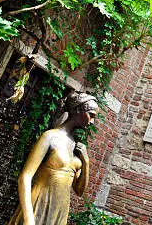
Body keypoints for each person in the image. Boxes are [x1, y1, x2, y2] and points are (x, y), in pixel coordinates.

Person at [8, 92, 98, 225]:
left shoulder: (77, 148)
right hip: (38, 206)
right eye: (91, 115)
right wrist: (29, 218)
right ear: (78, 110)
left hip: (60, 212)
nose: (92, 121)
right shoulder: (50, 137)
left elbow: (79, 191)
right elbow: (25, 177)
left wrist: (86, 163)